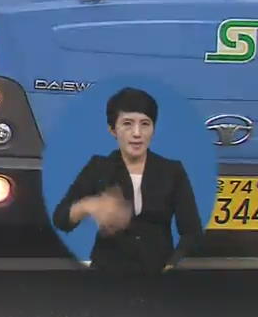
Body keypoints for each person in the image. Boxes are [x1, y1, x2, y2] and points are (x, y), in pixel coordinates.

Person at [52, 88, 202, 274]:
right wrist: (88, 206)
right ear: (113, 130)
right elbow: (60, 219)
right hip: (106, 275)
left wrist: (172, 264)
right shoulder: (98, 167)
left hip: (157, 276)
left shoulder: (172, 171)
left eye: (145, 124)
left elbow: (192, 232)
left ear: (153, 128)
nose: (137, 133)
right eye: (127, 124)